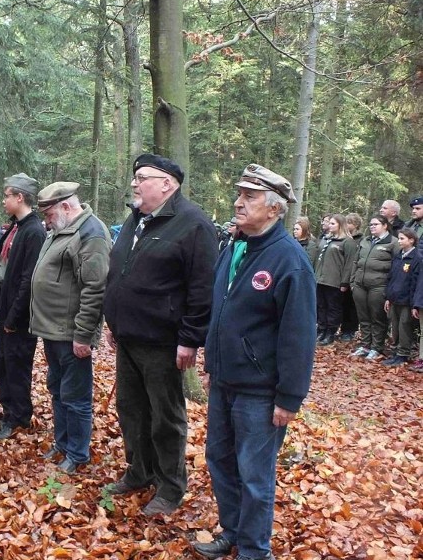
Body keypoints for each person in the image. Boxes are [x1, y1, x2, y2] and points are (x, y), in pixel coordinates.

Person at [193, 164, 316, 560]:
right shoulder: (235, 246)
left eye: (249, 197)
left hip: (261, 393)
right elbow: (223, 311)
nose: (238, 203)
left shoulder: (289, 261)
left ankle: (254, 550)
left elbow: (298, 336)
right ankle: (233, 532)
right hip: (226, 381)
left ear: (275, 209)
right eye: (239, 195)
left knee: (255, 476)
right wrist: (215, 365)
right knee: (220, 461)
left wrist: (289, 397)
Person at [103, 154, 217, 516]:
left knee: (165, 416)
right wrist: (113, 321)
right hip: (129, 336)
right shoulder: (136, 218)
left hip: (164, 342)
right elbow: (119, 273)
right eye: (135, 178)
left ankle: (170, 486)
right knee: (131, 409)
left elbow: (202, 288)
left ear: (167, 184)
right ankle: (139, 471)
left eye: (142, 178)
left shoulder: (193, 224)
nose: (135, 184)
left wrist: (189, 339)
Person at [30, 182, 110, 475]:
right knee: (57, 389)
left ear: (66, 206)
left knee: (75, 396)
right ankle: (62, 443)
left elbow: (94, 288)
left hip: (71, 332)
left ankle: (78, 453)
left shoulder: (91, 234)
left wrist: (83, 334)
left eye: (49, 213)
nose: (46, 220)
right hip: (52, 329)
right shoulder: (61, 230)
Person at [0, 173, 46, 440]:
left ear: (20, 197)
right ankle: (8, 409)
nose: (4, 201)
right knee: (2, 362)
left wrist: (13, 317)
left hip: (19, 317)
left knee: (16, 365)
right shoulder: (15, 227)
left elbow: (28, 279)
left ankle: (19, 416)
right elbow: (1, 270)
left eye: (7, 196)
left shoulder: (34, 231)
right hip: (4, 309)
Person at [350, 215, 398, 360]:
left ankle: (376, 347)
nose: (372, 227)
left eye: (375, 224)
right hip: (360, 284)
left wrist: (390, 288)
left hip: (379, 285)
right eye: (370, 224)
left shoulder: (393, 243)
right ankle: (365, 345)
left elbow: (397, 267)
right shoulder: (365, 240)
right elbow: (356, 261)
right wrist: (352, 281)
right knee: (363, 316)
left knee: (377, 317)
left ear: (385, 225)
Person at [312, 214, 357, 346]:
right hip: (320, 279)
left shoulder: (347, 242)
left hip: (334, 281)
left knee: (333, 307)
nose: (329, 226)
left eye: (332, 224)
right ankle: (321, 329)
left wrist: (345, 282)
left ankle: (331, 332)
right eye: (329, 223)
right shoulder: (326, 239)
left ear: (340, 225)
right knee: (321, 306)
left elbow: (350, 263)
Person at [382, 228, 420, 366]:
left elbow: (415, 283)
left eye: (402, 238)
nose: (399, 241)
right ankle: (395, 351)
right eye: (398, 238)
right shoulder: (398, 256)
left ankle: (403, 354)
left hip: (406, 301)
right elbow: (391, 278)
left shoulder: (417, 258)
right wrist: (388, 297)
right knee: (395, 326)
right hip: (394, 299)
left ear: (411, 240)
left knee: (405, 326)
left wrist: (413, 304)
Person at [340, 213, 366, 342]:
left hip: (354, 276)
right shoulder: (344, 239)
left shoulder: (361, 240)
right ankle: (343, 328)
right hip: (342, 275)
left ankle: (350, 330)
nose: (345, 225)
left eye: (348, 223)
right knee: (343, 304)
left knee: (352, 305)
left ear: (355, 225)